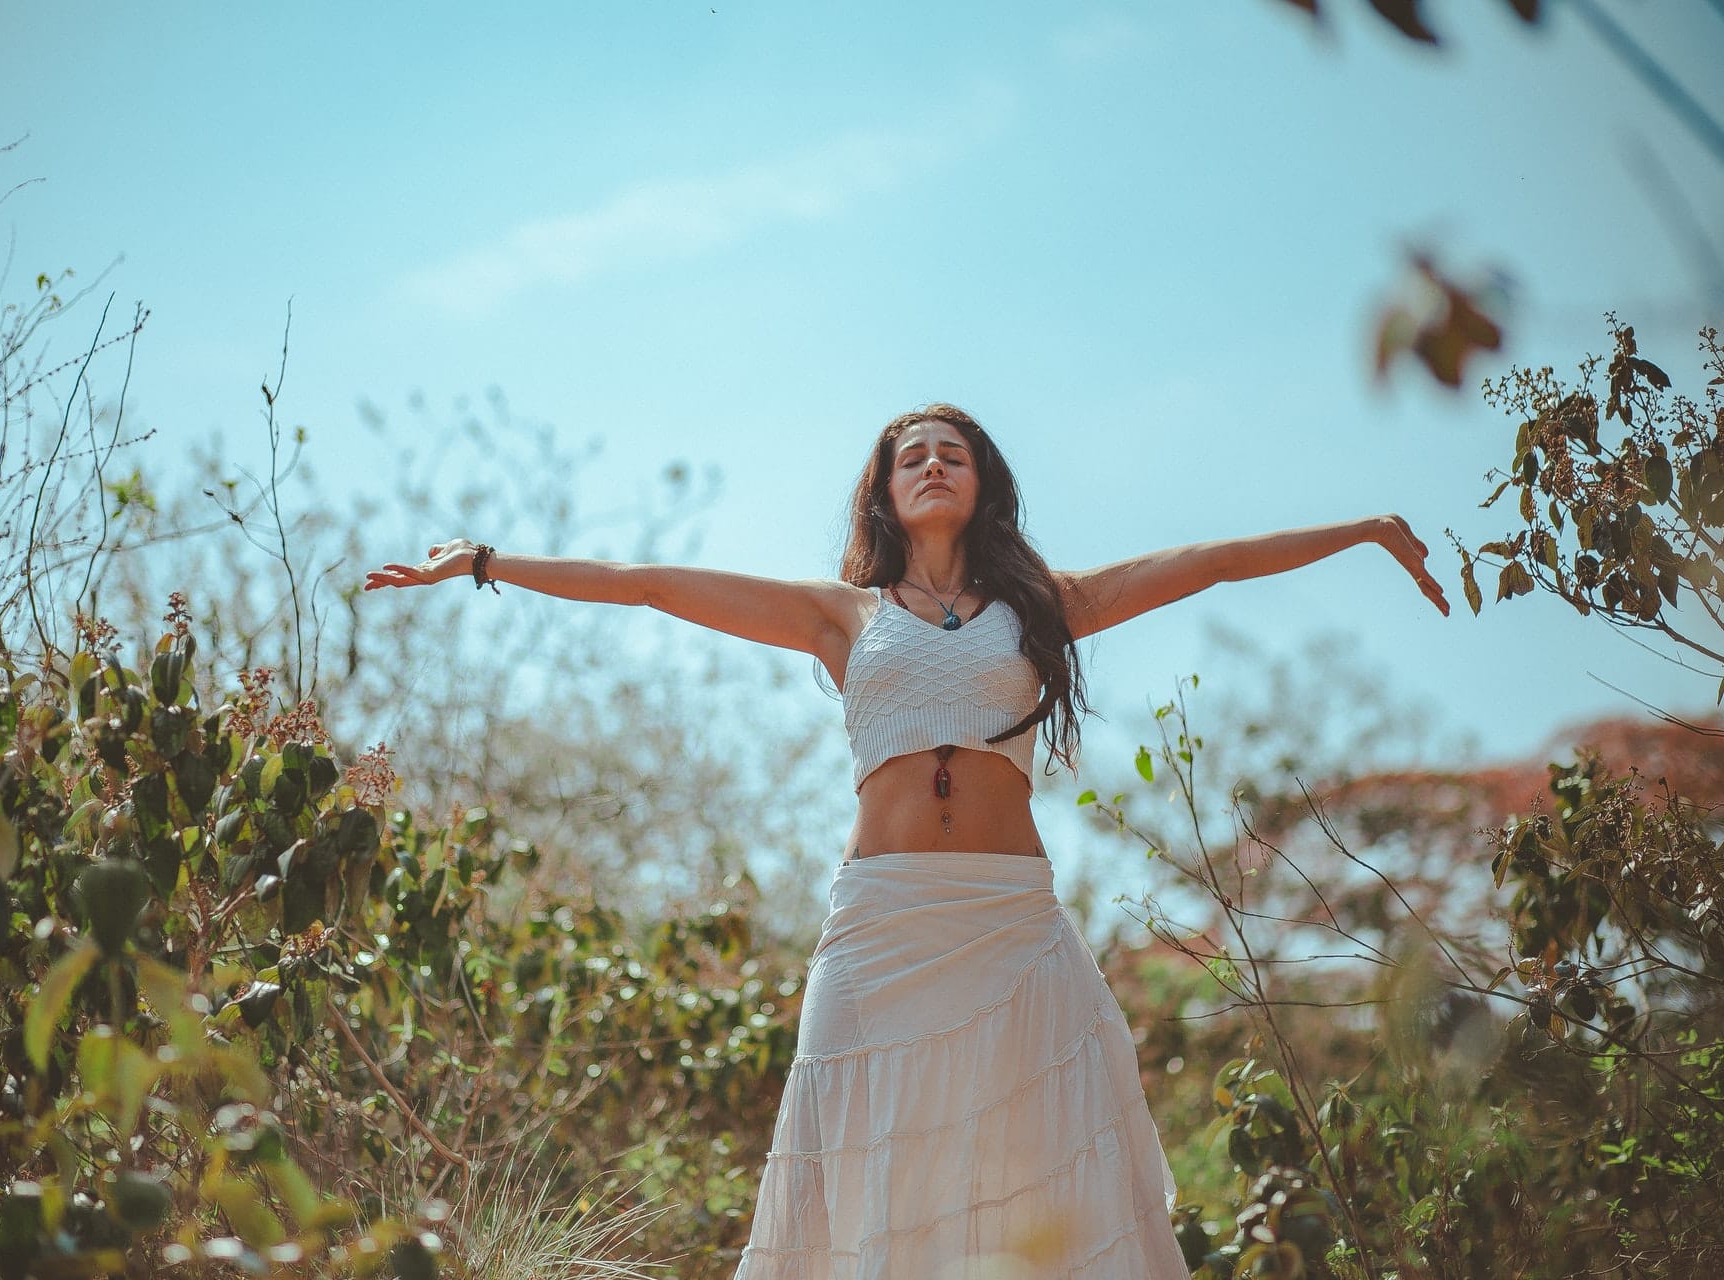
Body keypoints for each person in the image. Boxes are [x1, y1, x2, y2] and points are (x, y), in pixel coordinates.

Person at [364, 403, 1449, 1279]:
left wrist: (1356, 530)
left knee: (1036, 1172)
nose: (932, 466)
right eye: (911, 456)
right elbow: (651, 585)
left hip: (1008, 923)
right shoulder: (841, 614)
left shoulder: (1044, 606)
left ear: (985, 482)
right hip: (880, 925)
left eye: (954, 453)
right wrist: (487, 562)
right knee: (856, 1163)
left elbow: (1207, 561)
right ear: (884, 490)